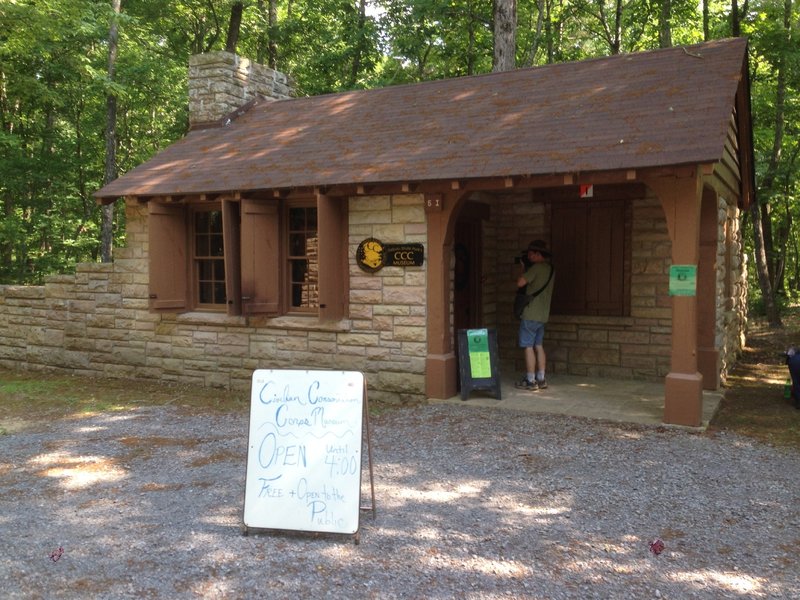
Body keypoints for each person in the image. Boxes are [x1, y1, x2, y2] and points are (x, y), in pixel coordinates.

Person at [514, 240, 555, 391]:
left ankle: (531, 380)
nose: (529, 256)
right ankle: (541, 378)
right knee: (538, 345)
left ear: (538, 254)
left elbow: (520, 283)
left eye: (531, 253)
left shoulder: (535, 268)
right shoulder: (550, 269)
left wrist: (523, 269)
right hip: (542, 315)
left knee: (528, 347)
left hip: (530, 313)